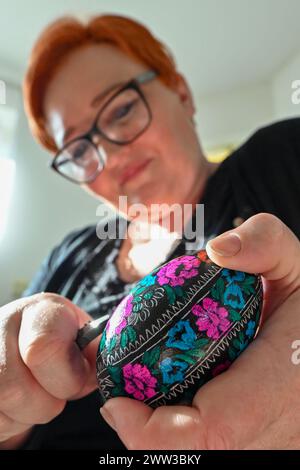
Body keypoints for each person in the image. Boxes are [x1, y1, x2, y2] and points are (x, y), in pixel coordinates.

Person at [0, 13, 300, 450]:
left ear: (181, 93)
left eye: (121, 110)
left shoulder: (282, 160)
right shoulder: (69, 256)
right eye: (80, 148)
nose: (111, 155)